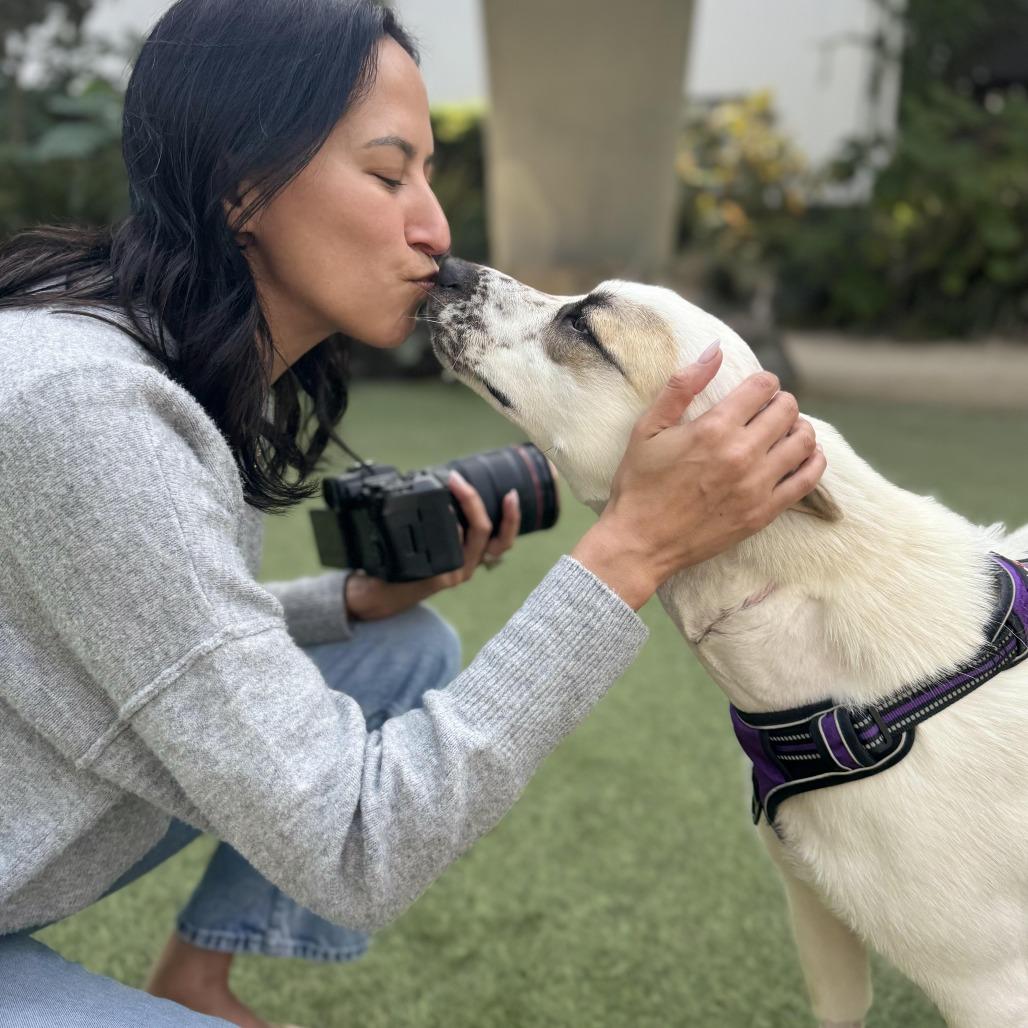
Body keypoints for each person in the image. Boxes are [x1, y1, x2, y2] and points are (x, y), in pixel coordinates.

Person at [0, 1, 825, 1025]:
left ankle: (198, 981)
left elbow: (129, 638)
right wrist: (627, 553)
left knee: (396, 648)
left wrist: (343, 599)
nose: (434, 228)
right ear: (240, 186)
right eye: (389, 176)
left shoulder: (141, 356)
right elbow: (352, 842)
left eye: (426, 176)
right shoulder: (82, 407)